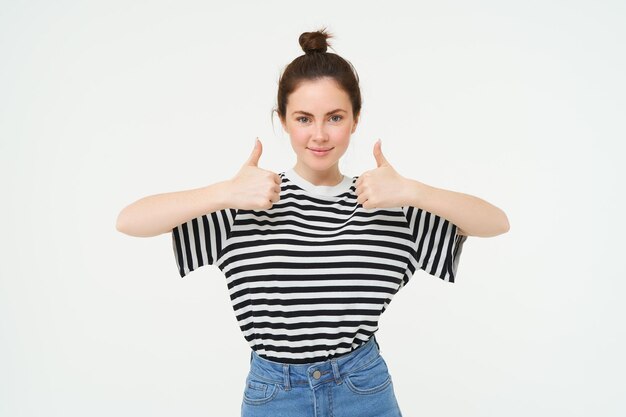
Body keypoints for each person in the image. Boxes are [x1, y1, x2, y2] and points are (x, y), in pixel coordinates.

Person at [116, 27, 509, 417]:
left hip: (363, 389)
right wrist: (223, 193)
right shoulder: (248, 199)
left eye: (334, 117)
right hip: (274, 394)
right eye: (304, 118)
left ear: (355, 120)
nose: (319, 135)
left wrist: (413, 190)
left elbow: (496, 222)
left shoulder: (388, 202)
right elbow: (130, 221)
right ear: (283, 121)